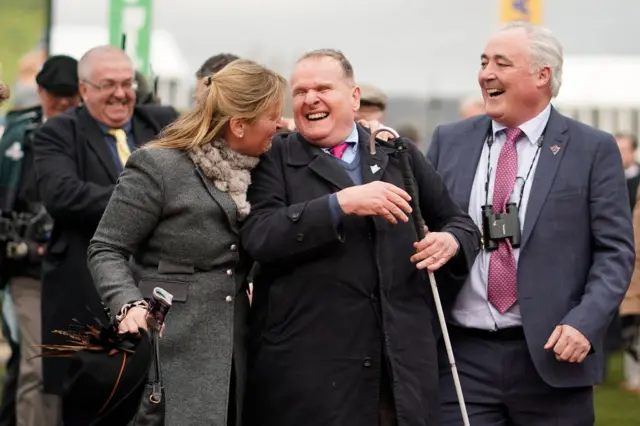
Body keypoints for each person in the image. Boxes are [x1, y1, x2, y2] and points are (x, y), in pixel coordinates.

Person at [240, 48, 481, 426]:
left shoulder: (398, 155)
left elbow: (462, 224)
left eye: (323, 88)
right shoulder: (275, 158)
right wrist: (339, 204)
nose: (310, 99)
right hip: (308, 372)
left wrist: (449, 241)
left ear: (354, 98)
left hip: (397, 371)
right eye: (300, 91)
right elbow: (259, 236)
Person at [426, 21, 634, 425]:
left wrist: (585, 323)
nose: (486, 73)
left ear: (542, 75)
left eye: (501, 63)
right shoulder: (448, 140)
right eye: (483, 62)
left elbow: (615, 252)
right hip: (461, 358)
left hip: (554, 355)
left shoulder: (592, 149)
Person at [87, 59, 287, 426]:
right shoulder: (158, 165)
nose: (281, 123)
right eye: (273, 115)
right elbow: (106, 248)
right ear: (239, 125)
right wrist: (126, 305)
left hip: (236, 346)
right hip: (169, 341)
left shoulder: (265, 162)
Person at [31, 46, 178, 418]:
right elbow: (63, 195)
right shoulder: (58, 132)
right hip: (86, 292)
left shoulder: (161, 123)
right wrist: (146, 199)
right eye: (108, 84)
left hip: (162, 295)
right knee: (92, 403)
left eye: (127, 83)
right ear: (83, 90)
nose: (120, 93)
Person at [0, 54, 82, 426]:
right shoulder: (17, 135)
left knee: (73, 366)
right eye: (56, 94)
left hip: (80, 269)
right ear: (40, 91)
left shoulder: (97, 135)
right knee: (35, 362)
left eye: (71, 93)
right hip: (27, 269)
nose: (64, 102)